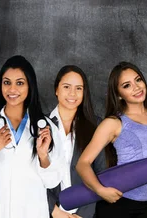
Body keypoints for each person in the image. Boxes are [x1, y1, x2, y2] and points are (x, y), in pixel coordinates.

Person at [0, 55, 63, 218]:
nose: (12, 89)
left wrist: (43, 156)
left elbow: (52, 181)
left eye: (20, 83)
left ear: (30, 85)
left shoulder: (46, 128)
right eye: (7, 82)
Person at [76, 62, 147, 218]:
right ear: (118, 94)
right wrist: (100, 190)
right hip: (120, 204)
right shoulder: (113, 123)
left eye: (138, 80)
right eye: (127, 85)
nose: (136, 87)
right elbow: (82, 164)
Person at [47, 65, 106, 218]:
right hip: (48, 212)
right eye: (66, 87)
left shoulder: (96, 126)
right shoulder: (38, 125)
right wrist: (54, 212)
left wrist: (86, 214)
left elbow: (102, 174)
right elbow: (31, 175)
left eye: (79, 88)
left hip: (86, 213)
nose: (72, 93)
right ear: (56, 89)